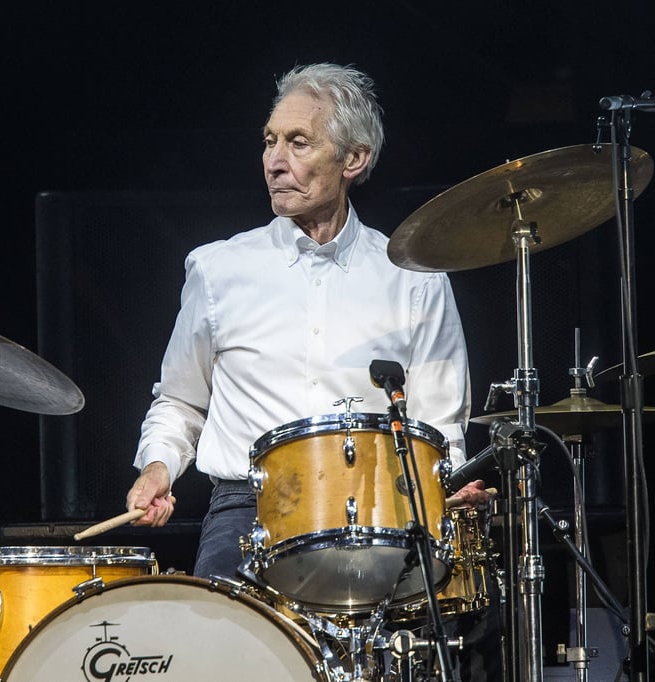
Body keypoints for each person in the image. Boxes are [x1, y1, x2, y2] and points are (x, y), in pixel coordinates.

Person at [123, 62, 497, 679]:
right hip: (248, 512)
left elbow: (439, 423)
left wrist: (447, 488)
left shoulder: (414, 276)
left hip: (380, 513)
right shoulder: (218, 270)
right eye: (269, 141)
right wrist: (158, 466)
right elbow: (181, 400)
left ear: (354, 159)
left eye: (298, 142)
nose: (275, 160)